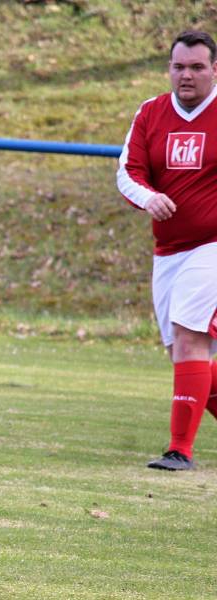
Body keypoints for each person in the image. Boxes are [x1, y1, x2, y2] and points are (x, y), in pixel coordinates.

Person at [117, 30, 217, 471]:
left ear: (215, 69)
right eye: (179, 67)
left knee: (190, 334)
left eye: (197, 67)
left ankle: (180, 450)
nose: (187, 75)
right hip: (169, 250)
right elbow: (128, 172)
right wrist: (147, 197)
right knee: (181, 351)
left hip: (213, 246)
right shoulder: (151, 112)